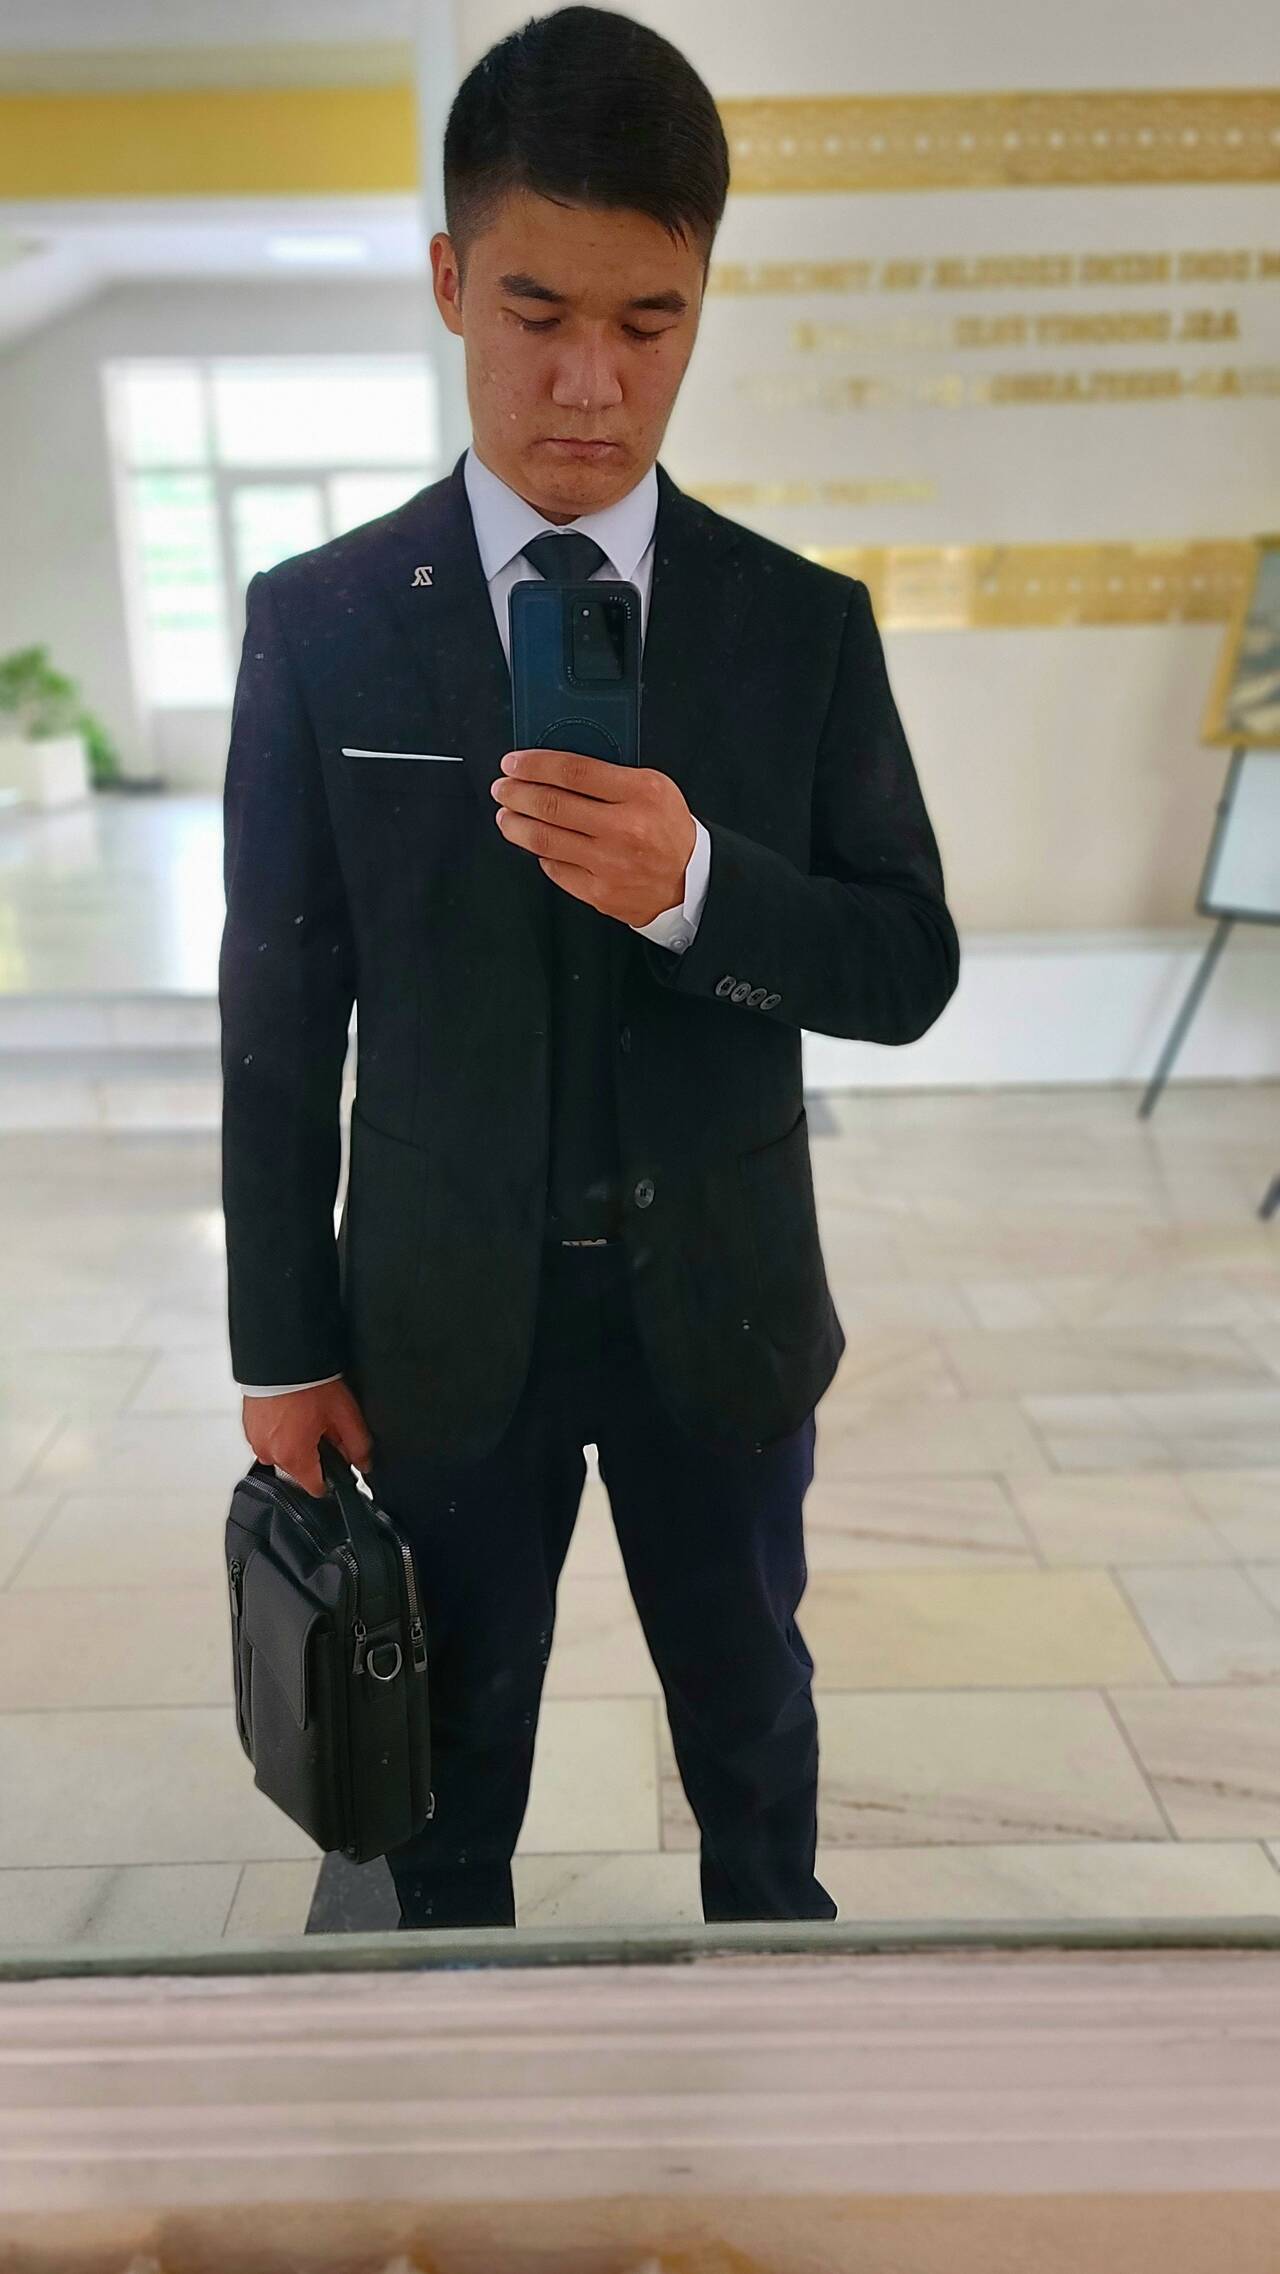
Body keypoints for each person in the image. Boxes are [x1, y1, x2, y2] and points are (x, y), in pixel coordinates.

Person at [218, 4, 960, 1931]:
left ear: (703, 303)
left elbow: (908, 961)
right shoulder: (322, 627)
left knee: (757, 1742)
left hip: (722, 1304)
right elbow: (278, 1016)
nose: (591, 386)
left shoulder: (799, 626)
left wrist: (702, 884)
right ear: (449, 280)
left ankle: (775, 2041)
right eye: (536, 311)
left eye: (651, 323)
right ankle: (443, 2081)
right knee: (438, 1790)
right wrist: (281, 1343)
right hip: (437, 1323)